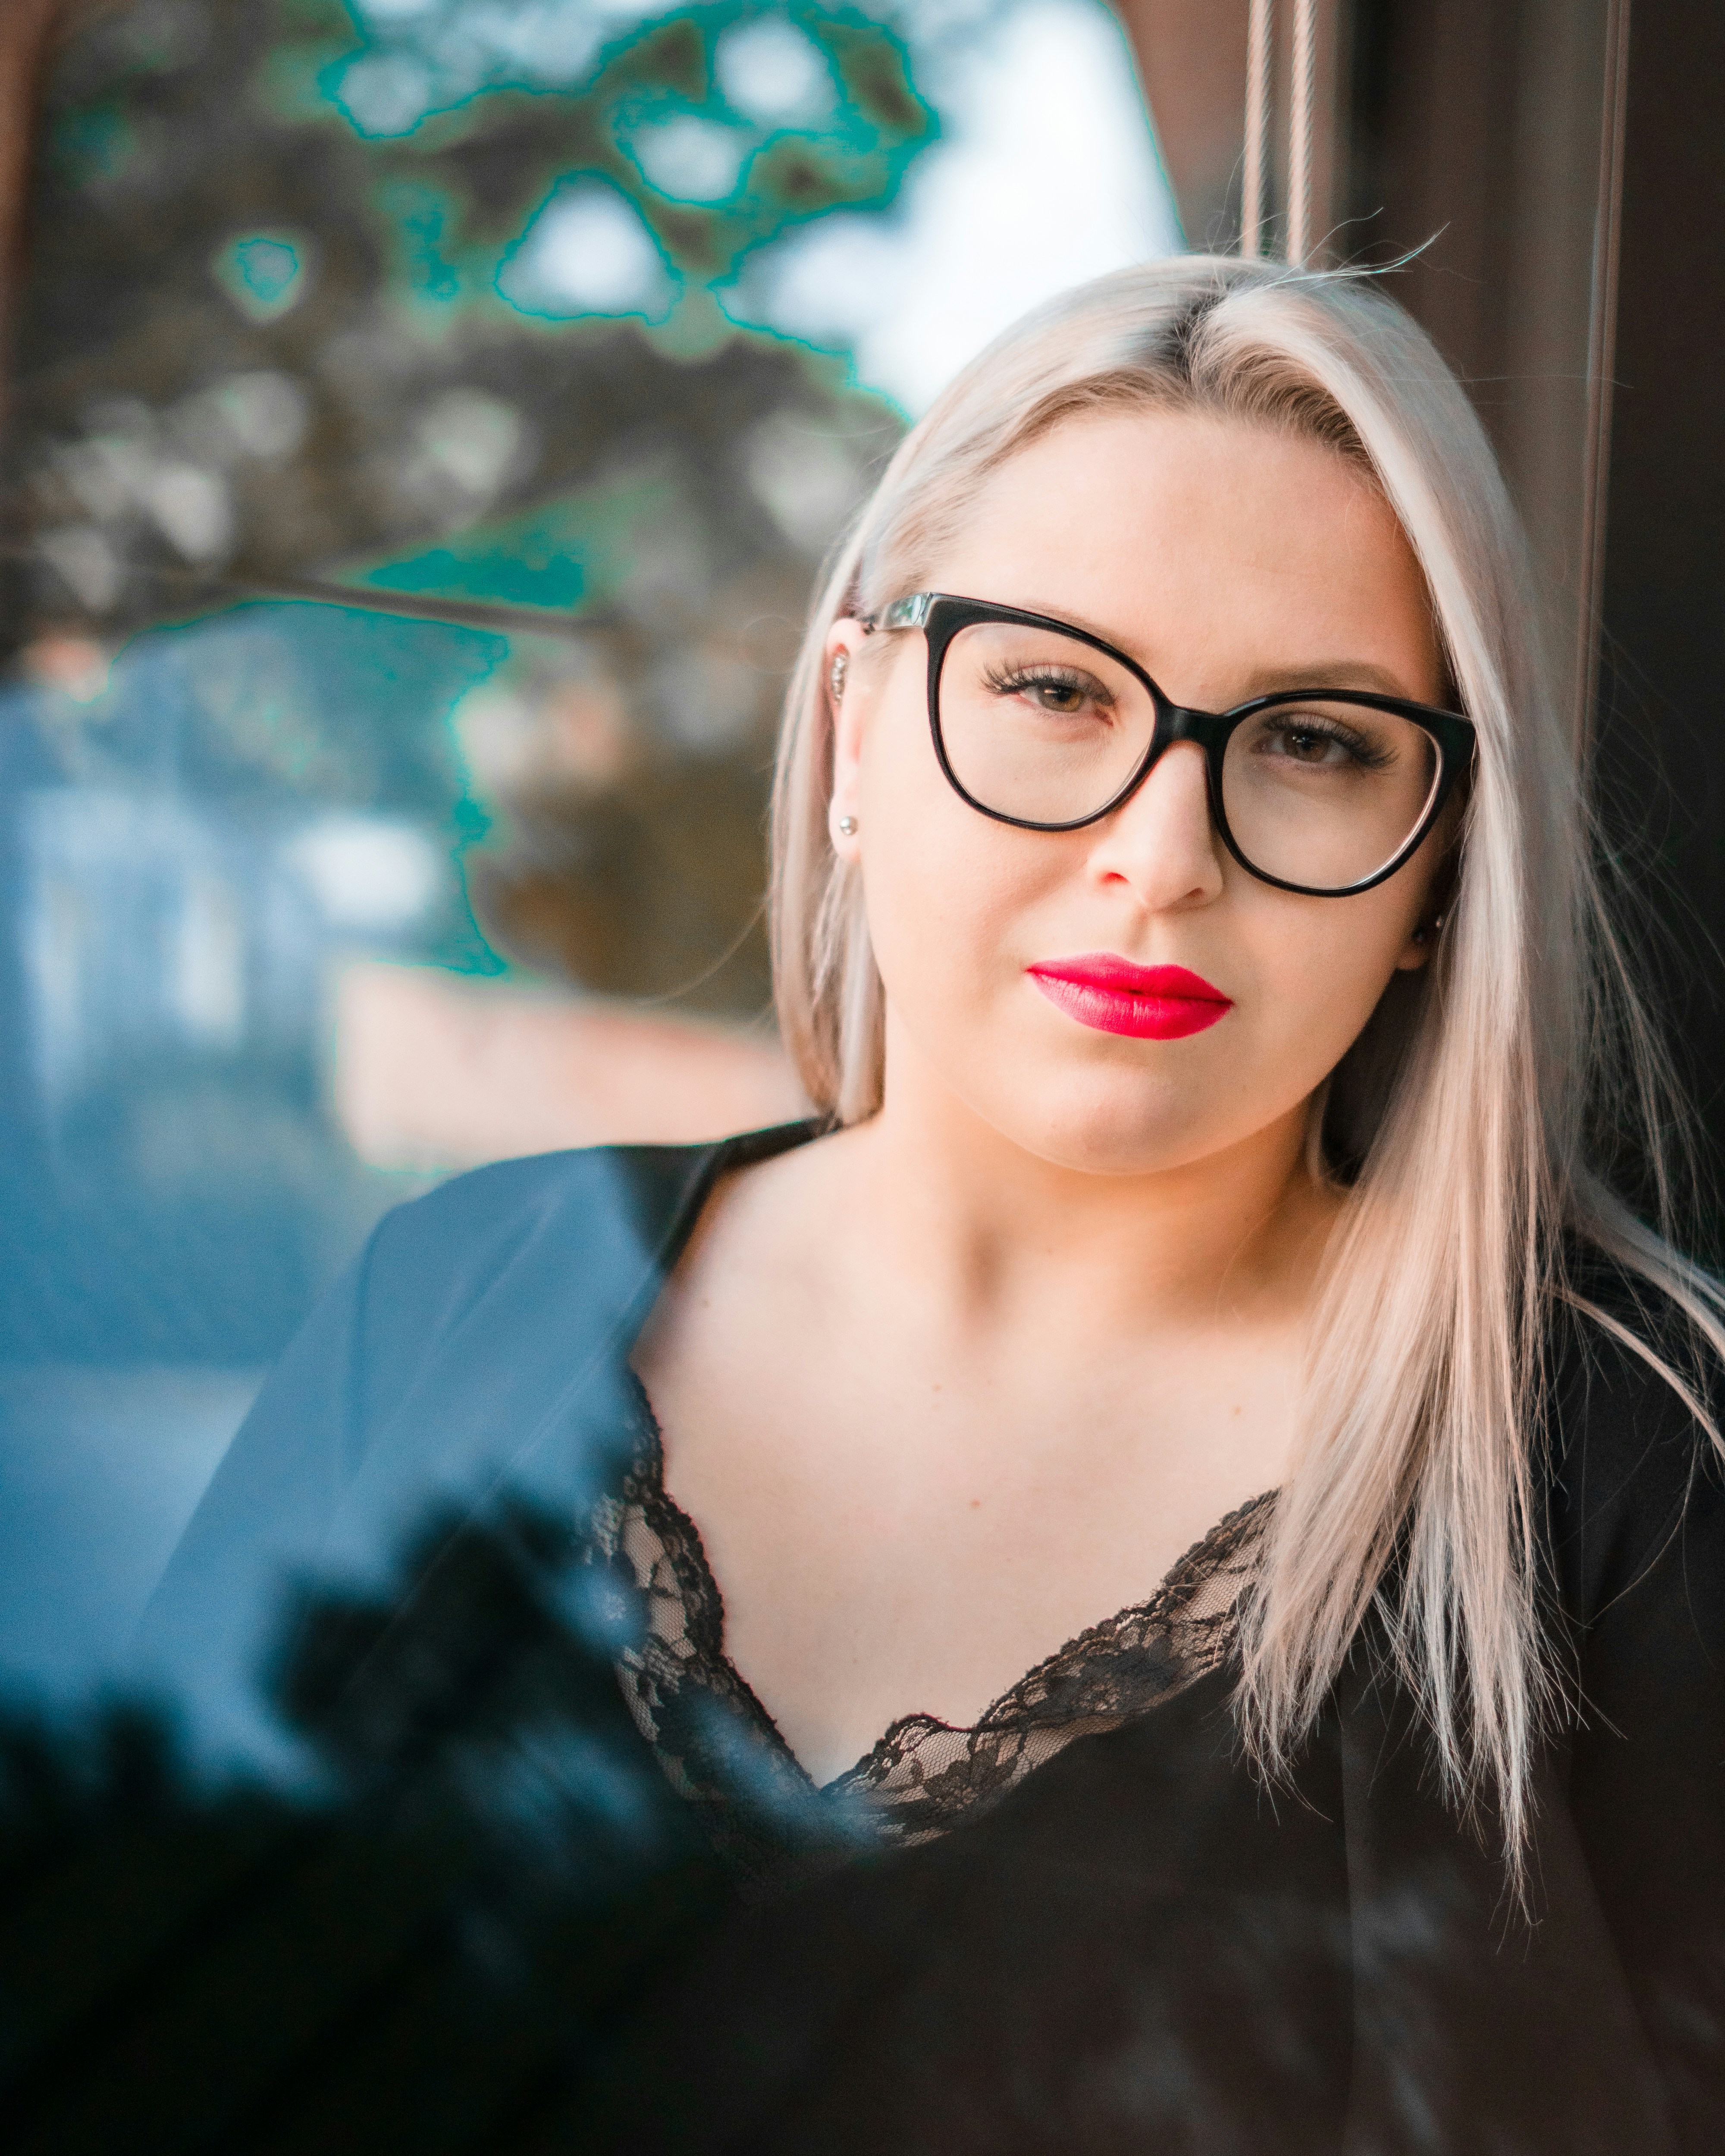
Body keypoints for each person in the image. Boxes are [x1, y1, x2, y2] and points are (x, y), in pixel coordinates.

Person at [139, 258, 1725, 2150]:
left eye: (1313, 741)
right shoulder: (463, 1295)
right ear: (852, 733)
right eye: (1053, 689)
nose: (1159, 859)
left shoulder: (1631, 1482)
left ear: (1440, 863)